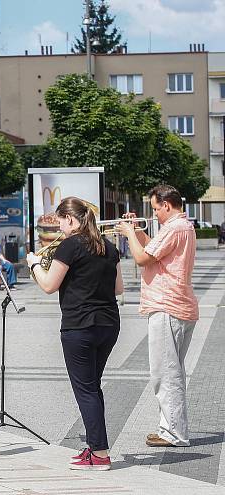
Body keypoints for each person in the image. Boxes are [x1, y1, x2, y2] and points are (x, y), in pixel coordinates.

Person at [27, 197, 123, 471]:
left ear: (70, 219)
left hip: (79, 325)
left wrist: (35, 264)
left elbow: (48, 285)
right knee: (92, 387)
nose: (59, 227)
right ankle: (95, 446)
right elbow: (118, 288)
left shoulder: (70, 246)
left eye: (60, 221)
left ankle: (101, 455)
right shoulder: (109, 246)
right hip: (108, 324)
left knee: (86, 390)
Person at [116, 185, 198, 448]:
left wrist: (128, 233)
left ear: (166, 204)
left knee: (166, 373)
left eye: (155, 209)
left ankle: (174, 433)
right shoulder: (181, 226)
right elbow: (153, 250)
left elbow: (141, 258)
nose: (155, 214)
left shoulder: (175, 227)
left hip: (167, 305)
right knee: (170, 371)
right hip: (177, 304)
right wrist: (138, 229)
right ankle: (168, 428)